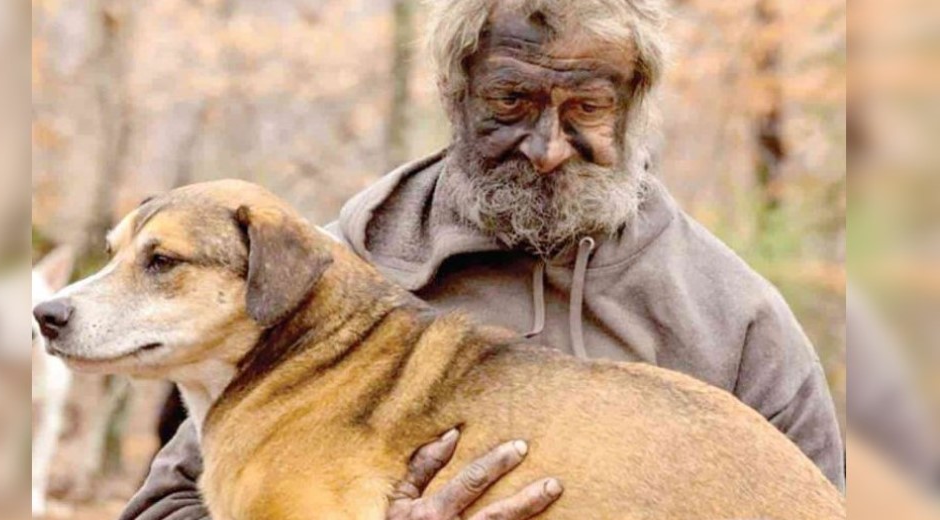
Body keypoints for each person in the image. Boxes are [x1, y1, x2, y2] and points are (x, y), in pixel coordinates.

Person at [121, 0, 844, 518]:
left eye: (587, 107)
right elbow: (167, 506)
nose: (548, 146)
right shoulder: (318, 280)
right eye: (510, 99)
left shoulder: (734, 318)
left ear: (634, 109)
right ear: (453, 93)